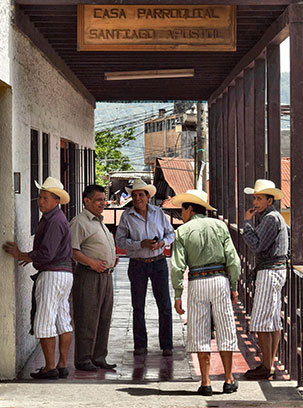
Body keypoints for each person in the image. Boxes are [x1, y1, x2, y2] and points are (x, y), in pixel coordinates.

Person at [170, 189, 240, 396]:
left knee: (199, 331)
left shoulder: (182, 232)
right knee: (226, 327)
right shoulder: (220, 226)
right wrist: (234, 286)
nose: (181, 214)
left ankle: (206, 382)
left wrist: (177, 294)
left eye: (182, 209)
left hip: (197, 281)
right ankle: (228, 379)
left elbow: (177, 267)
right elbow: (233, 260)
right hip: (220, 280)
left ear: (190, 209)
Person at [3, 177, 73, 380]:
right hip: (64, 274)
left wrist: (23, 254)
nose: (40, 201)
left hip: (52, 274)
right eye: (40, 197)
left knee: (44, 322)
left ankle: (49, 367)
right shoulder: (55, 218)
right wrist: (29, 256)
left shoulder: (53, 221)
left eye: (45, 198)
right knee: (62, 320)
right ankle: (61, 364)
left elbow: (46, 254)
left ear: (56, 200)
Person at [115, 178, 175, 356]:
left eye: (141, 194)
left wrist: (162, 243)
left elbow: (171, 233)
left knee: (164, 304)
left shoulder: (158, 213)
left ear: (148, 196)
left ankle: (167, 345)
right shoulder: (127, 216)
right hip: (137, 265)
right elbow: (120, 241)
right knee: (138, 306)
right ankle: (140, 345)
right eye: (134, 195)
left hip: (158, 262)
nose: (138, 198)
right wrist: (140, 244)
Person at [243, 179, 288, 380]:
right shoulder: (272, 217)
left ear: (270, 201)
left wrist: (246, 225)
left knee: (261, 319)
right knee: (272, 320)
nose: (255, 201)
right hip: (276, 269)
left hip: (270, 270)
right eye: (255, 197)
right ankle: (269, 363)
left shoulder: (270, 219)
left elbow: (257, 245)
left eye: (259, 198)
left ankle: (266, 365)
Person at [70, 184, 118, 371]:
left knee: (104, 317)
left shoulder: (98, 221)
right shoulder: (79, 222)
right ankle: (83, 359)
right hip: (89, 275)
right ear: (86, 201)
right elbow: (73, 250)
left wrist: (112, 258)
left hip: (105, 275)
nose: (102, 203)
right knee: (87, 317)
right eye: (98, 200)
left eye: (103, 199)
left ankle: (99, 357)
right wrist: (91, 262)